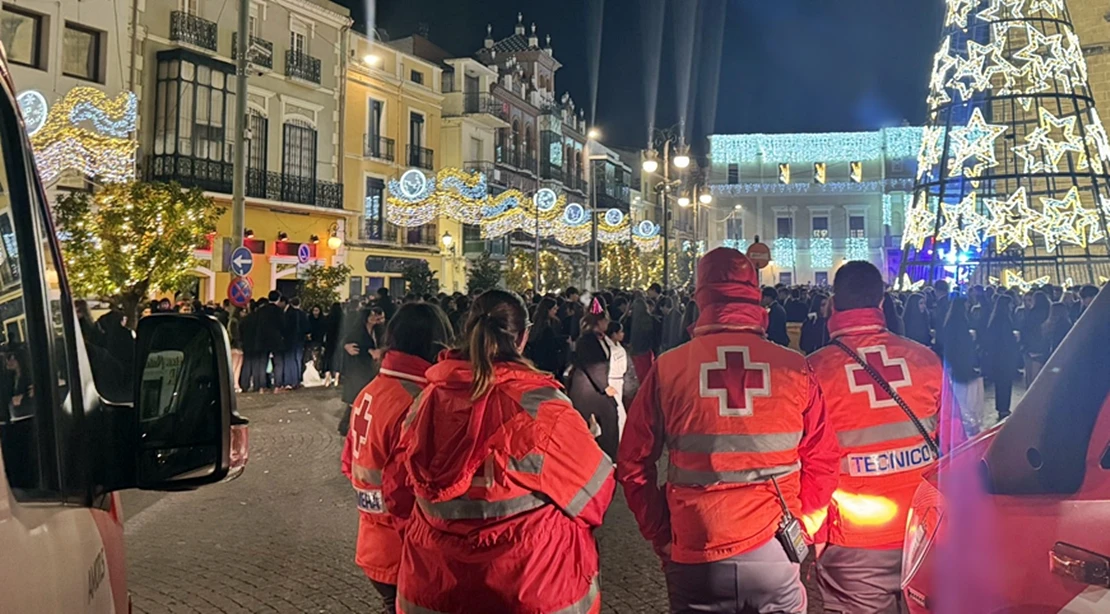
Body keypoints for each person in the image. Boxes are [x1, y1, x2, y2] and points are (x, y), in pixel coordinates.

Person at [619, 249, 839, 614]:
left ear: (699, 298)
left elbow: (632, 463)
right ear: (755, 293)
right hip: (775, 542)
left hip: (695, 545)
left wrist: (661, 532)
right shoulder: (794, 367)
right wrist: (805, 522)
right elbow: (824, 457)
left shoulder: (669, 368)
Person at [384, 290, 614, 614]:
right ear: (523, 336)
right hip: (531, 588)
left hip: (434, 588)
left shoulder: (424, 403)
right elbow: (596, 497)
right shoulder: (542, 410)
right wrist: (580, 440)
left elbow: (397, 494)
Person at [807, 262, 964, 614]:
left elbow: (804, 462)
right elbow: (957, 449)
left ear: (833, 305)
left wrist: (811, 536)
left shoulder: (813, 371)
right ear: (881, 303)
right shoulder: (925, 360)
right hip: (926, 532)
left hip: (854, 538)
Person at [341, 303, 453, 611]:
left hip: (373, 541)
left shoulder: (371, 391)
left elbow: (349, 464)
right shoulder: (418, 400)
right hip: (405, 548)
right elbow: (414, 484)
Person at [567, 311, 620, 459]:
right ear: (599, 322)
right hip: (588, 387)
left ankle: (604, 454)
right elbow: (593, 366)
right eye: (606, 320)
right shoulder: (587, 340)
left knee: (607, 417)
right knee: (608, 415)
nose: (608, 323)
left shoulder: (599, 338)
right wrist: (605, 387)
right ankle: (606, 455)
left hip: (594, 386)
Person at [339, 308, 385, 436]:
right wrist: (369, 352)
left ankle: (351, 425)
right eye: (371, 315)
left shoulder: (378, 330)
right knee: (357, 397)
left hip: (371, 368)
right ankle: (346, 425)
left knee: (364, 397)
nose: (374, 317)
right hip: (358, 368)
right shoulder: (357, 332)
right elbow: (354, 349)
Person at [943, 297, 984, 431]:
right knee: (964, 394)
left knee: (960, 392)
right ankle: (967, 420)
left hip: (956, 362)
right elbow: (962, 344)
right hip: (962, 361)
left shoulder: (951, 322)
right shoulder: (960, 322)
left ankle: (964, 420)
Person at [983, 295, 1019, 420]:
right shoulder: (1005, 320)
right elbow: (1006, 340)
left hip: (997, 357)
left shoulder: (994, 319)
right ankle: (1004, 408)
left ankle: (1001, 407)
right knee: (1005, 383)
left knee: (1000, 384)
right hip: (1005, 357)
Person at [251, 293, 286, 393]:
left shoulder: (261, 311)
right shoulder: (279, 311)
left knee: (262, 362)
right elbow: (283, 325)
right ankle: (277, 386)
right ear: (278, 299)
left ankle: (262, 387)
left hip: (262, 340)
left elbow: (256, 325)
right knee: (278, 362)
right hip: (276, 340)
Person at [524, 297, 565, 376]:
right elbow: (551, 345)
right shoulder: (547, 329)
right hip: (547, 364)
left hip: (537, 362)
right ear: (548, 310)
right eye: (554, 309)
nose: (556, 311)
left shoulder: (537, 325)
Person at [604, 319, 630, 437]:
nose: (622, 334)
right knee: (619, 412)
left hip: (619, 381)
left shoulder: (619, 346)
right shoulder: (607, 347)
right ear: (614, 334)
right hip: (611, 380)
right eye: (620, 332)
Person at [627, 296, 657, 382]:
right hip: (647, 350)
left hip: (635, 351)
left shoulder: (630, 320)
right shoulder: (651, 319)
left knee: (638, 374)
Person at [323, 302, 344, 388]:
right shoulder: (343, 318)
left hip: (329, 340)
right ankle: (336, 378)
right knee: (338, 359)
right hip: (339, 340)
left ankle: (327, 378)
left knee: (328, 358)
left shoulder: (328, 318)